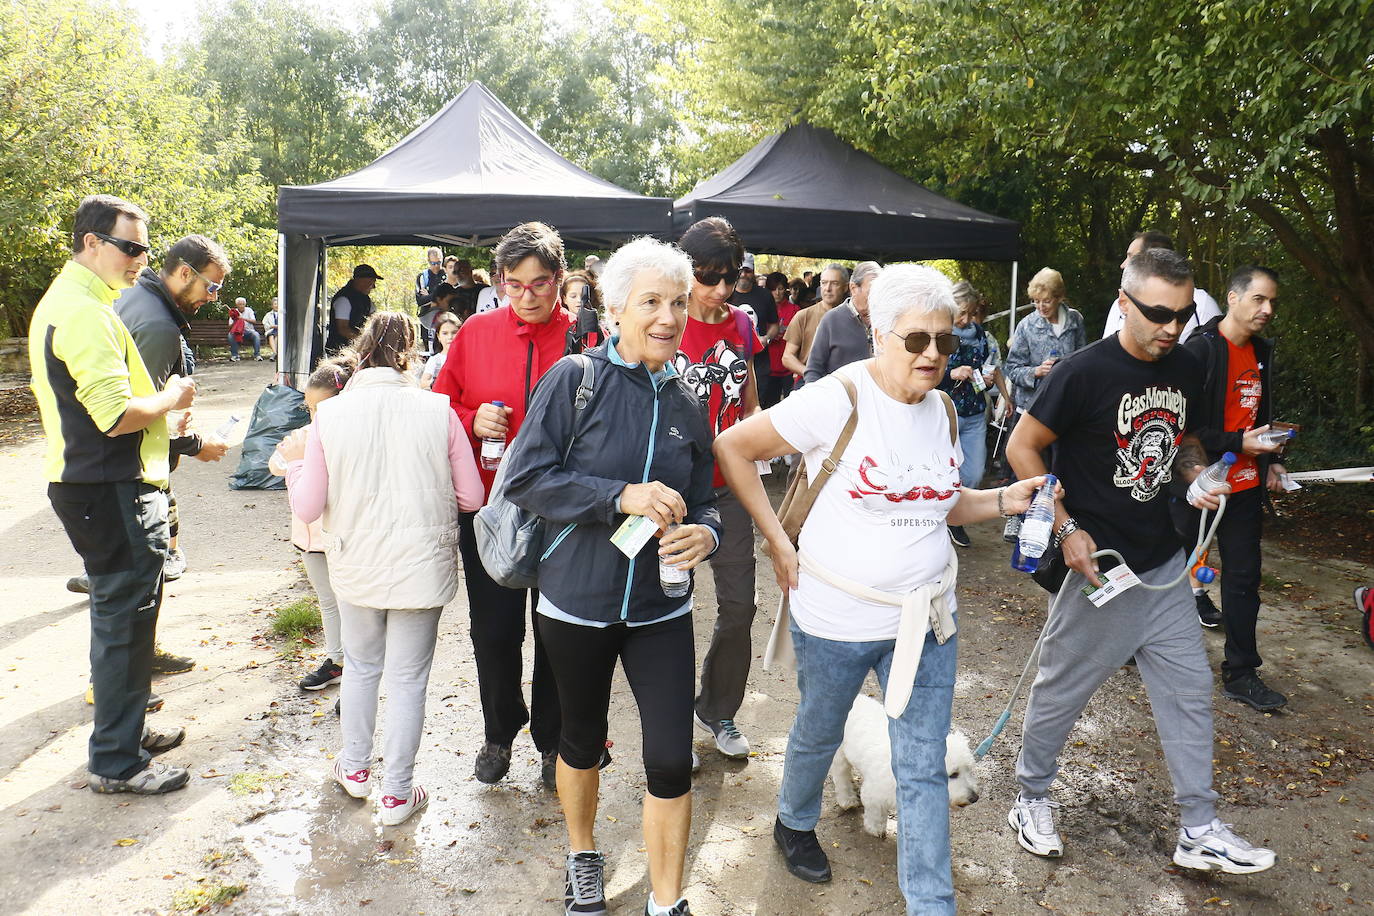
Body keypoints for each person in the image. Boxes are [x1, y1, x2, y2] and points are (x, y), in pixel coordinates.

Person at [713, 263, 1051, 915]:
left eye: (944, 341)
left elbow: (939, 502)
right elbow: (734, 447)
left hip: (926, 621)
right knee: (820, 728)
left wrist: (1004, 499)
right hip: (836, 615)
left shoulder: (946, 410)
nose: (932, 355)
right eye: (916, 339)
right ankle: (793, 819)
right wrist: (779, 542)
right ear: (879, 333)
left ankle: (930, 903)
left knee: (921, 764)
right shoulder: (838, 398)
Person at [1004, 247, 1275, 876]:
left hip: (1163, 565)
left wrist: (1196, 479)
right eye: (1156, 313)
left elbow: (1185, 439)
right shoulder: (1082, 371)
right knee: (1062, 690)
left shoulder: (1184, 364)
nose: (1170, 328)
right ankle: (1031, 796)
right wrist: (1066, 529)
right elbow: (1023, 446)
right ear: (1124, 304)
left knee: (1188, 693)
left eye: (1180, 315)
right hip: (1100, 565)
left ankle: (1199, 828)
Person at [503, 237, 721, 916]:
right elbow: (526, 479)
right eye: (651, 301)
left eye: (678, 303)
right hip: (576, 602)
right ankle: (582, 855)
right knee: (580, 741)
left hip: (662, 606)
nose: (667, 316)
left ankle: (666, 900)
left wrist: (706, 532)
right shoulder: (576, 379)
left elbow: (708, 492)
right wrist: (619, 496)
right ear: (616, 306)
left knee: (669, 758)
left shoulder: (687, 398)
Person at [281, 312, 484, 825]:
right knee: (409, 679)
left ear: (363, 352)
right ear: (411, 354)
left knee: (362, 667)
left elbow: (307, 507)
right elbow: (471, 496)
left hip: (356, 562)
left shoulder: (332, 415)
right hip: (422, 565)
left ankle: (353, 770)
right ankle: (396, 793)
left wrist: (299, 466)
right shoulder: (439, 411)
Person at [30, 194, 195, 795]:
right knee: (125, 621)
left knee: (121, 617)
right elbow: (114, 414)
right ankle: (117, 761)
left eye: (145, 248)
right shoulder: (84, 313)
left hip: (98, 482)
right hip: (112, 487)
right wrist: (171, 399)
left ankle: (121, 734)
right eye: (131, 247)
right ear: (91, 242)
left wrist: (164, 426)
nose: (140, 259)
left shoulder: (79, 302)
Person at [433, 222, 571, 788]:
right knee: (493, 628)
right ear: (498, 282)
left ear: (560, 279)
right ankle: (498, 730)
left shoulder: (588, 338)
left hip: (565, 512)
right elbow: (440, 405)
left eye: (540, 284)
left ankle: (552, 739)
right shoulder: (475, 332)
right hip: (490, 508)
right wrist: (472, 418)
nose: (528, 296)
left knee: (558, 631)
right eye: (515, 285)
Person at [110, 234, 234, 672]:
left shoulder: (137, 298)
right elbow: (134, 412)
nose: (212, 297)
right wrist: (198, 446)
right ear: (185, 273)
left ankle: (141, 656)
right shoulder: (159, 325)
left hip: (134, 465)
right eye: (211, 286)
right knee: (139, 580)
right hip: (135, 469)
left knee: (142, 574)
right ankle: (125, 679)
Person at [1170, 265, 1290, 711]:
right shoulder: (1200, 350)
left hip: (1244, 488)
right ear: (1233, 298)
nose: (1267, 309)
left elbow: (1262, 415)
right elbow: (1185, 428)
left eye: (1272, 301)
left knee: (1243, 580)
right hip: (1196, 484)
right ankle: (1131, 642)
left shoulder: (1262, 352)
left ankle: (1241, 673)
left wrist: (1273, 460)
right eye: (1259, 299)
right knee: (1165, 567)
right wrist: (1238, 443)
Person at [674, 217, 764, 761]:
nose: (720, 290)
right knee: (670, 609)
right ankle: (672, 718)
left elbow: (748, 401)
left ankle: (718, 708)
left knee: (739, 606)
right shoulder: (666, 320)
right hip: (672, 489)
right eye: (708, 277)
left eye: (730, 277)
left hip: (729, 487)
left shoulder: (742, 325)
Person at [271, 356, 356, 692]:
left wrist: (299, 462)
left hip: (338, 537)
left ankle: (356, 670)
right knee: (327, 600)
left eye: (322, 408)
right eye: (309, 409)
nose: (314, 417)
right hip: (307, 540)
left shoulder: (349, 440)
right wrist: (294, 459)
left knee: (350, 603)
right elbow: (275, 462)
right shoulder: (306, 434)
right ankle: (336, 661)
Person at [939, 280, 1013, 547]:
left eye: (970, 313)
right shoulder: (940, 333)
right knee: (943, 470)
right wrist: (951, 374)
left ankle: (952, 517)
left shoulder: (981, 334)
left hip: (974, 411)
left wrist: (991, 382)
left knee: (973, 473)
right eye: (962, 312)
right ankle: (946, 522)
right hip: (944, 412)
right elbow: (927, 373)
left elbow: (990, 366)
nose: (966, 319)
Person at [1101, 230, 1221, 342]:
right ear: (1124, 303)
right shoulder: (1120, 303)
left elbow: (1217, 352)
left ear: (1153, 257)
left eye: (1184, 315)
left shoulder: (1202, 302)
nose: (1173, 330)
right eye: (1157, 314)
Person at [1003, 267, 1086, 418]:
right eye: (1036, 301)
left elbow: (1083, 360)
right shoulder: (1026, 325)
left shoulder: (1075, 320)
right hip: (1032, 407)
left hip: (1066, 404)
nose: (1041, 307)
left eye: (1046, 301)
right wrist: (1036, 371)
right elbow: (1012, 369)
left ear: (1059, 297)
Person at [803, 261, 880, 383]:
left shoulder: (886, 319)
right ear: (853, 288)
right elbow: (813, 370)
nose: (878, 296)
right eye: (872, 291)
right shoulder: (831, 320)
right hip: (840, 397)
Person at [782, 263, 847, 380]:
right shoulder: (803, 316)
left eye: (834, 283)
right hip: (809, 382)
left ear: (846, 287)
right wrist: (810, 373)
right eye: (824, 283)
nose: (828, 288)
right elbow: (787, 357)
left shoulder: (854, 317)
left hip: (844, 382)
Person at [729, 253, 779, 384]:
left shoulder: (765, 295)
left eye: (748, 271)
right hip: (732, 359)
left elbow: (774, 325)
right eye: (741, 270)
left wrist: (766, 338)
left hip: (759, 362)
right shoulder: (727, 294)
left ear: (753, 272)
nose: (744, 274)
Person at [760, 272, 800, 407]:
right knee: (769, 406)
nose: (777, 293)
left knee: (792, 406)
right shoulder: (762, 309)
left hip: (789, 366)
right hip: (768, 366)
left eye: (781, 288)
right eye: (773, 289)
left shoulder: (795, 310)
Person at [324, 264, 383, 354]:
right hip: (339, 352)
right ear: (361, 281)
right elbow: (343, 329)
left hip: (355, 350)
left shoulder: (366, 300)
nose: (374, 286)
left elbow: (374, 320)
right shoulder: (344, 299)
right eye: (372, 282)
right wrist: (365, 341)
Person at [420, 313, 461, 390]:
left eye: (454, 332)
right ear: (438, 336)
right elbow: (423, 383)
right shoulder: (435, 360)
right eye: (445, 333)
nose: (450, 337)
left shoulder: (466, 358)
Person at [226, 297, 263, 361]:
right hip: (238, 332)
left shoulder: (249, 310)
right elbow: (230, 326)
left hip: (248, 331)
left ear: (245, 304)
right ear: (236, 305)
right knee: (230, 335)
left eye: (243, 304)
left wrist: (242, 319)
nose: (241, 306)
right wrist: (235, 320)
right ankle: (235, 356)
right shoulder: (234, 312)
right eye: (239, 304)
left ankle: (257, 355)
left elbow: (254, 321)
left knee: (256, 335)